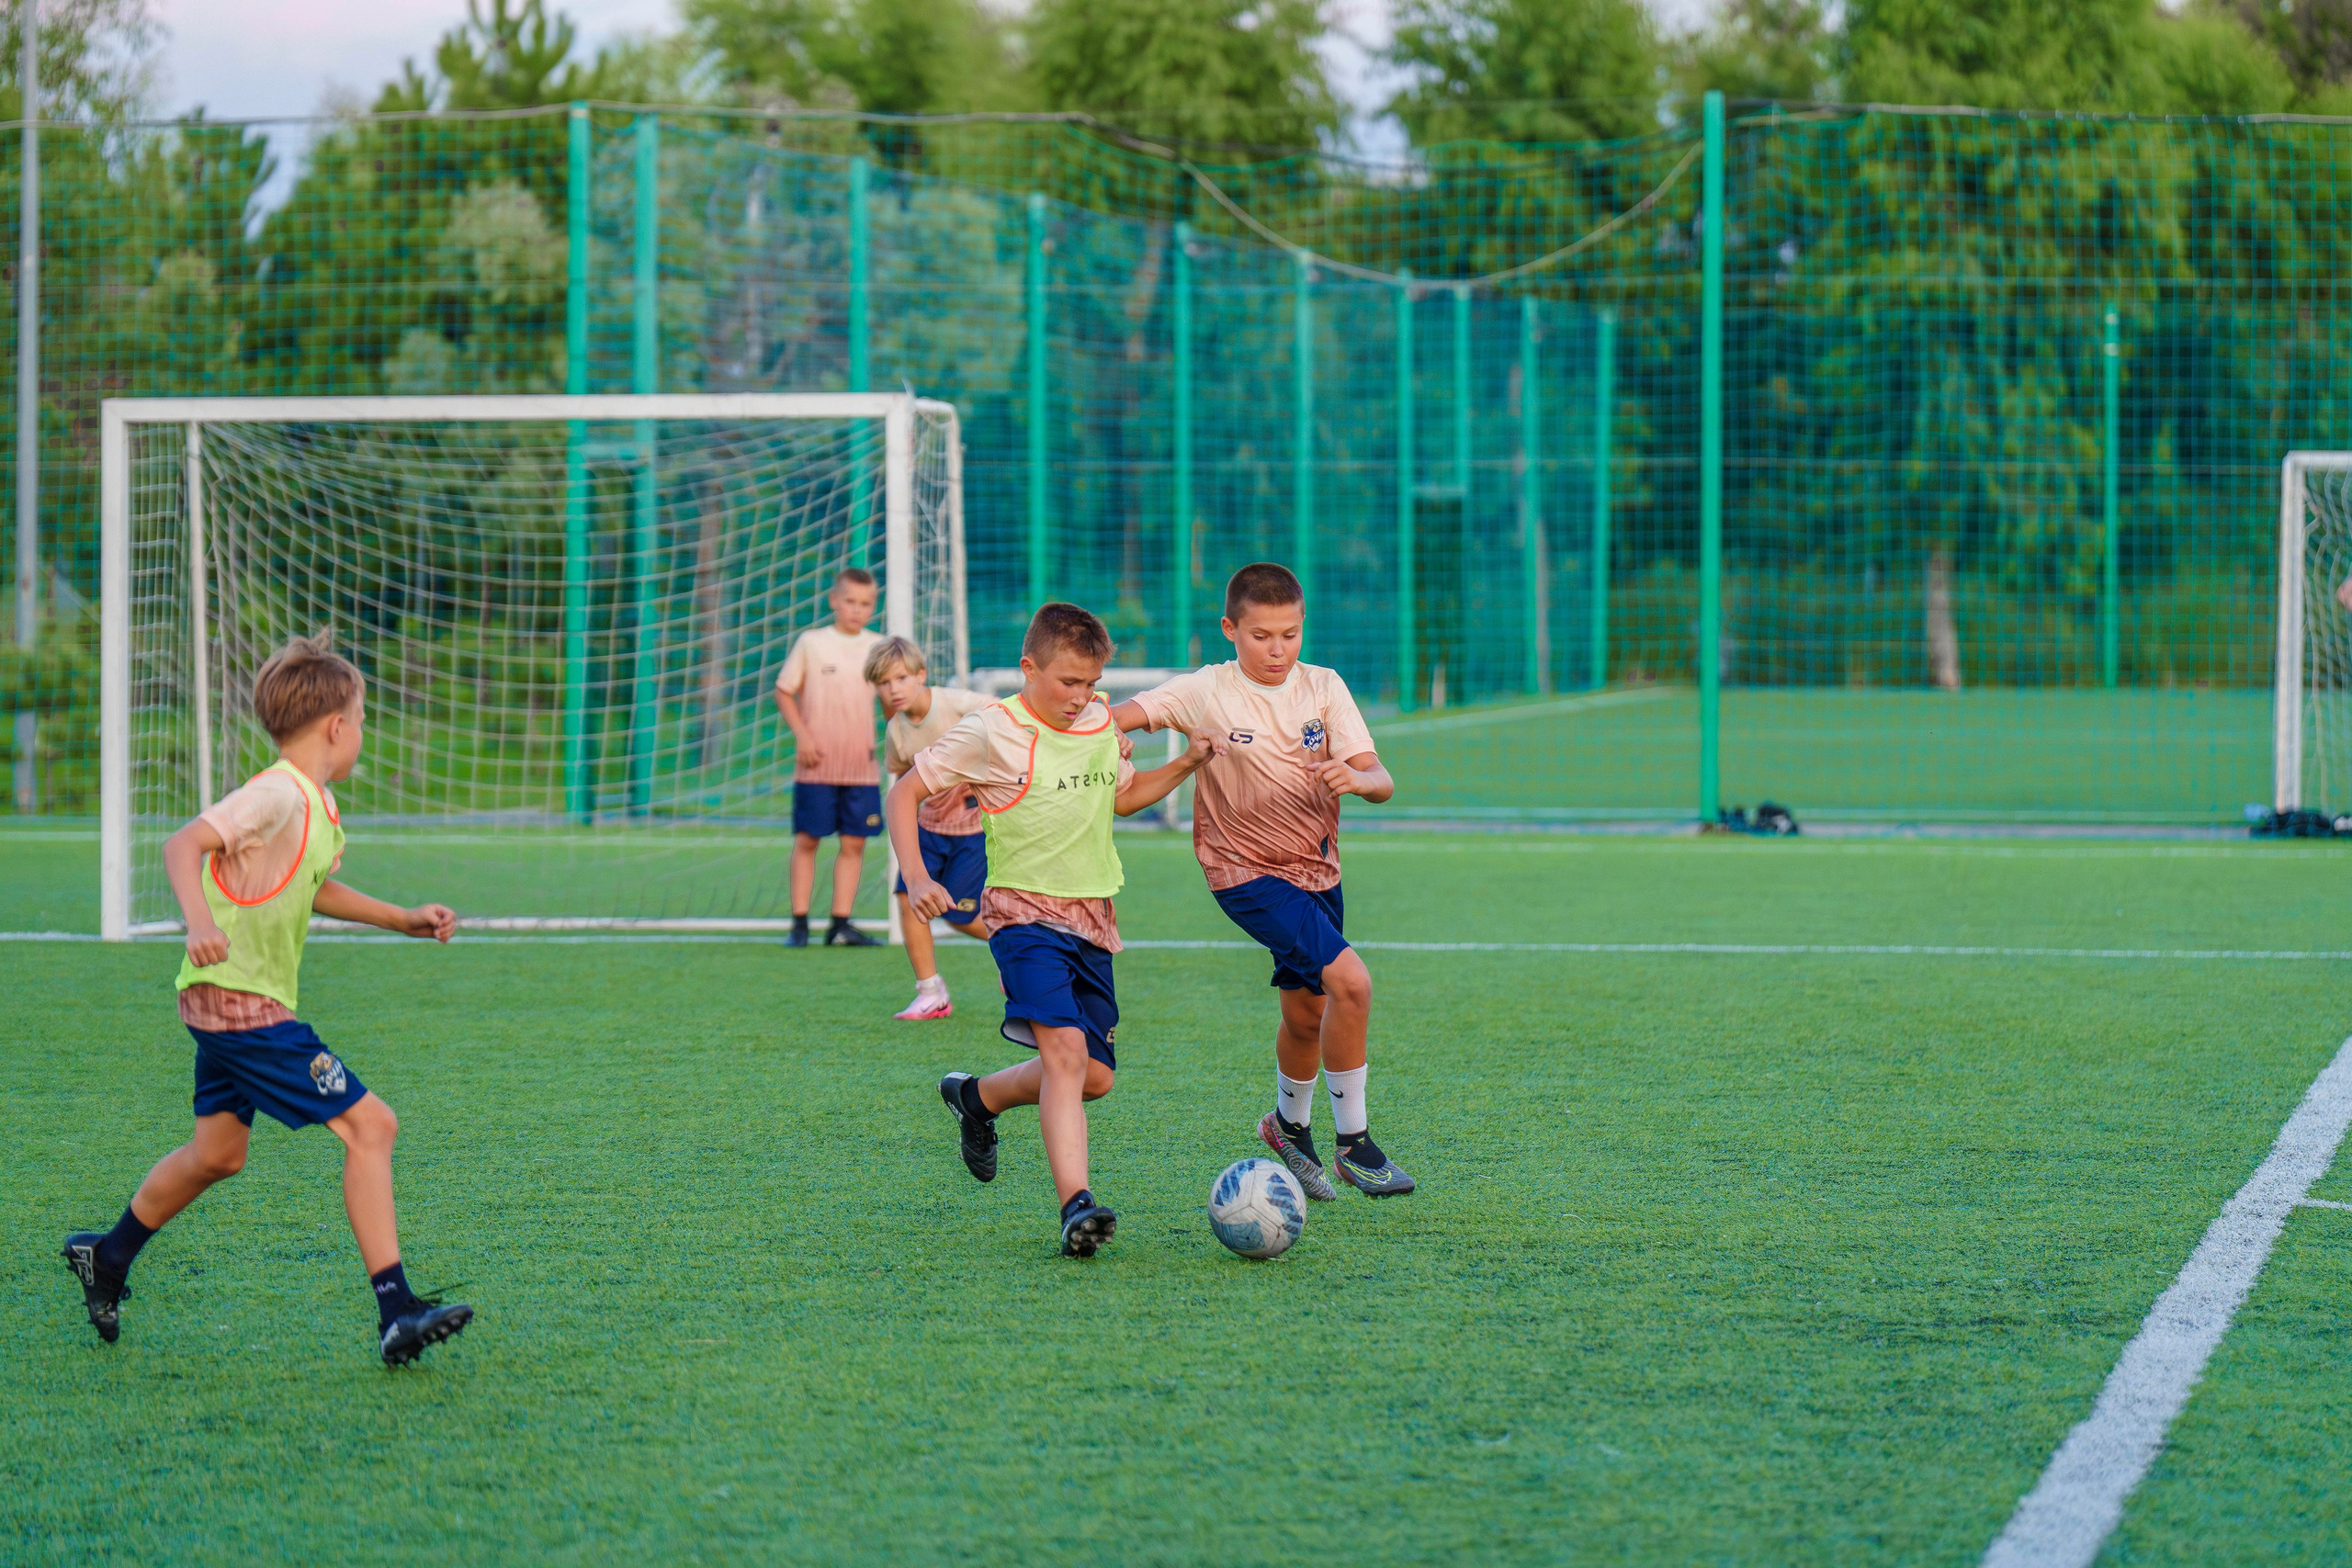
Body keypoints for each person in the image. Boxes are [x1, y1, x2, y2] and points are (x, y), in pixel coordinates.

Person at [61, 636, 472, 1366]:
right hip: (244, 1008)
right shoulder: (278, 791)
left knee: (218, 1154)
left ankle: (108, 1256)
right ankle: (396, 1309)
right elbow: (184, 844)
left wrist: (401, 917)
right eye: (363, 718)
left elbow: (317, 886)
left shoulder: (316, 806)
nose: (362, 733)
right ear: (337, 726)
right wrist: (198, 920)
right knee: (371, 1125)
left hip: (227, 1006)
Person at [887, 602, 1220, 1257]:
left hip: (1092, 918)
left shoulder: (1098, 723)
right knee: (1065, 1052)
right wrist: (920, 876)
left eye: (1093, 683)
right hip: (1021, 915)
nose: (1083, 697)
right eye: (1069, 681)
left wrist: (1184, 765)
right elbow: (904, 792)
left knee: (1094, 1075)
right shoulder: (992, 729)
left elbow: (1119, 797)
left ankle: (977, 1097)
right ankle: (1077, 1205)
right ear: (1028, 668)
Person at [1110, 562, 1416, 1201]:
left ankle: (1288, 1127)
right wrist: (1106, 740)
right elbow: (1119, 716)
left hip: (1316, 869)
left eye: (1290, 634)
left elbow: (1379, 777)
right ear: (1230, 629)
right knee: (1350, 981)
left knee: (1307, 1013)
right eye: (1261, 635)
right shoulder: (1206, 690)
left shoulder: (1325, 688)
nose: (1277, 649)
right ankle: (1355, 1144)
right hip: (1243, 871)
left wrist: (1359, 779)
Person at [869, 635, 995, 1020]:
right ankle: (930, 992)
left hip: (973, 830)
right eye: (885, 683)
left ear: (921, 675)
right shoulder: (896, 731)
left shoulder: (957, 704)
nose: (895, 689)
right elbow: (902, 778)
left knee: (960, 915)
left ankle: (1026, 955)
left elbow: (1004, 717)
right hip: (930, 830)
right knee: (909, 900)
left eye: (902, 678)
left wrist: (979, 774)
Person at [775, 567, 886, 947]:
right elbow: (784, 691)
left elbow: (891, 702)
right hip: (816, 764)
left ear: (874, 606)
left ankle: (840, 924)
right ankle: (799, 923)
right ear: (834, 601)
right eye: (850, 601)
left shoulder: (879, 646)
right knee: (808, 839)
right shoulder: (812, 642)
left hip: (861, 767)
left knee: (854, 843)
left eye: (866, 603)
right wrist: (803, 737)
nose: (857, 609)